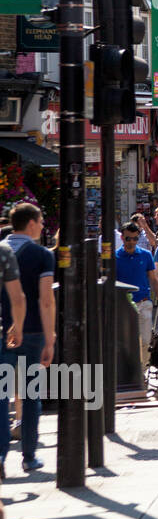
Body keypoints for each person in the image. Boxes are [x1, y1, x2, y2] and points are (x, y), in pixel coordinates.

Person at [2, 204, 50, 476]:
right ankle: (29, 456)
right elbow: (46, 300)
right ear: (30, 223)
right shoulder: (41, 254)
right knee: (31, 395)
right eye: (41, 221)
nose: (43, 225)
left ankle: (1, 456)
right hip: (30, 331)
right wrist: (51, 337)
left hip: (2, 330)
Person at [115, 221, 158, 376]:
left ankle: (142, 372)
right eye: (128, 239)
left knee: (145, 340)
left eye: (135, 239)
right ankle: (129, 373)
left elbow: (153, 279)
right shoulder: (115, 257)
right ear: (122, 238)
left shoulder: (146, 255)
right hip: (124, 305)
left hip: (144, 302)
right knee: (126, 342)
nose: (132, 242)